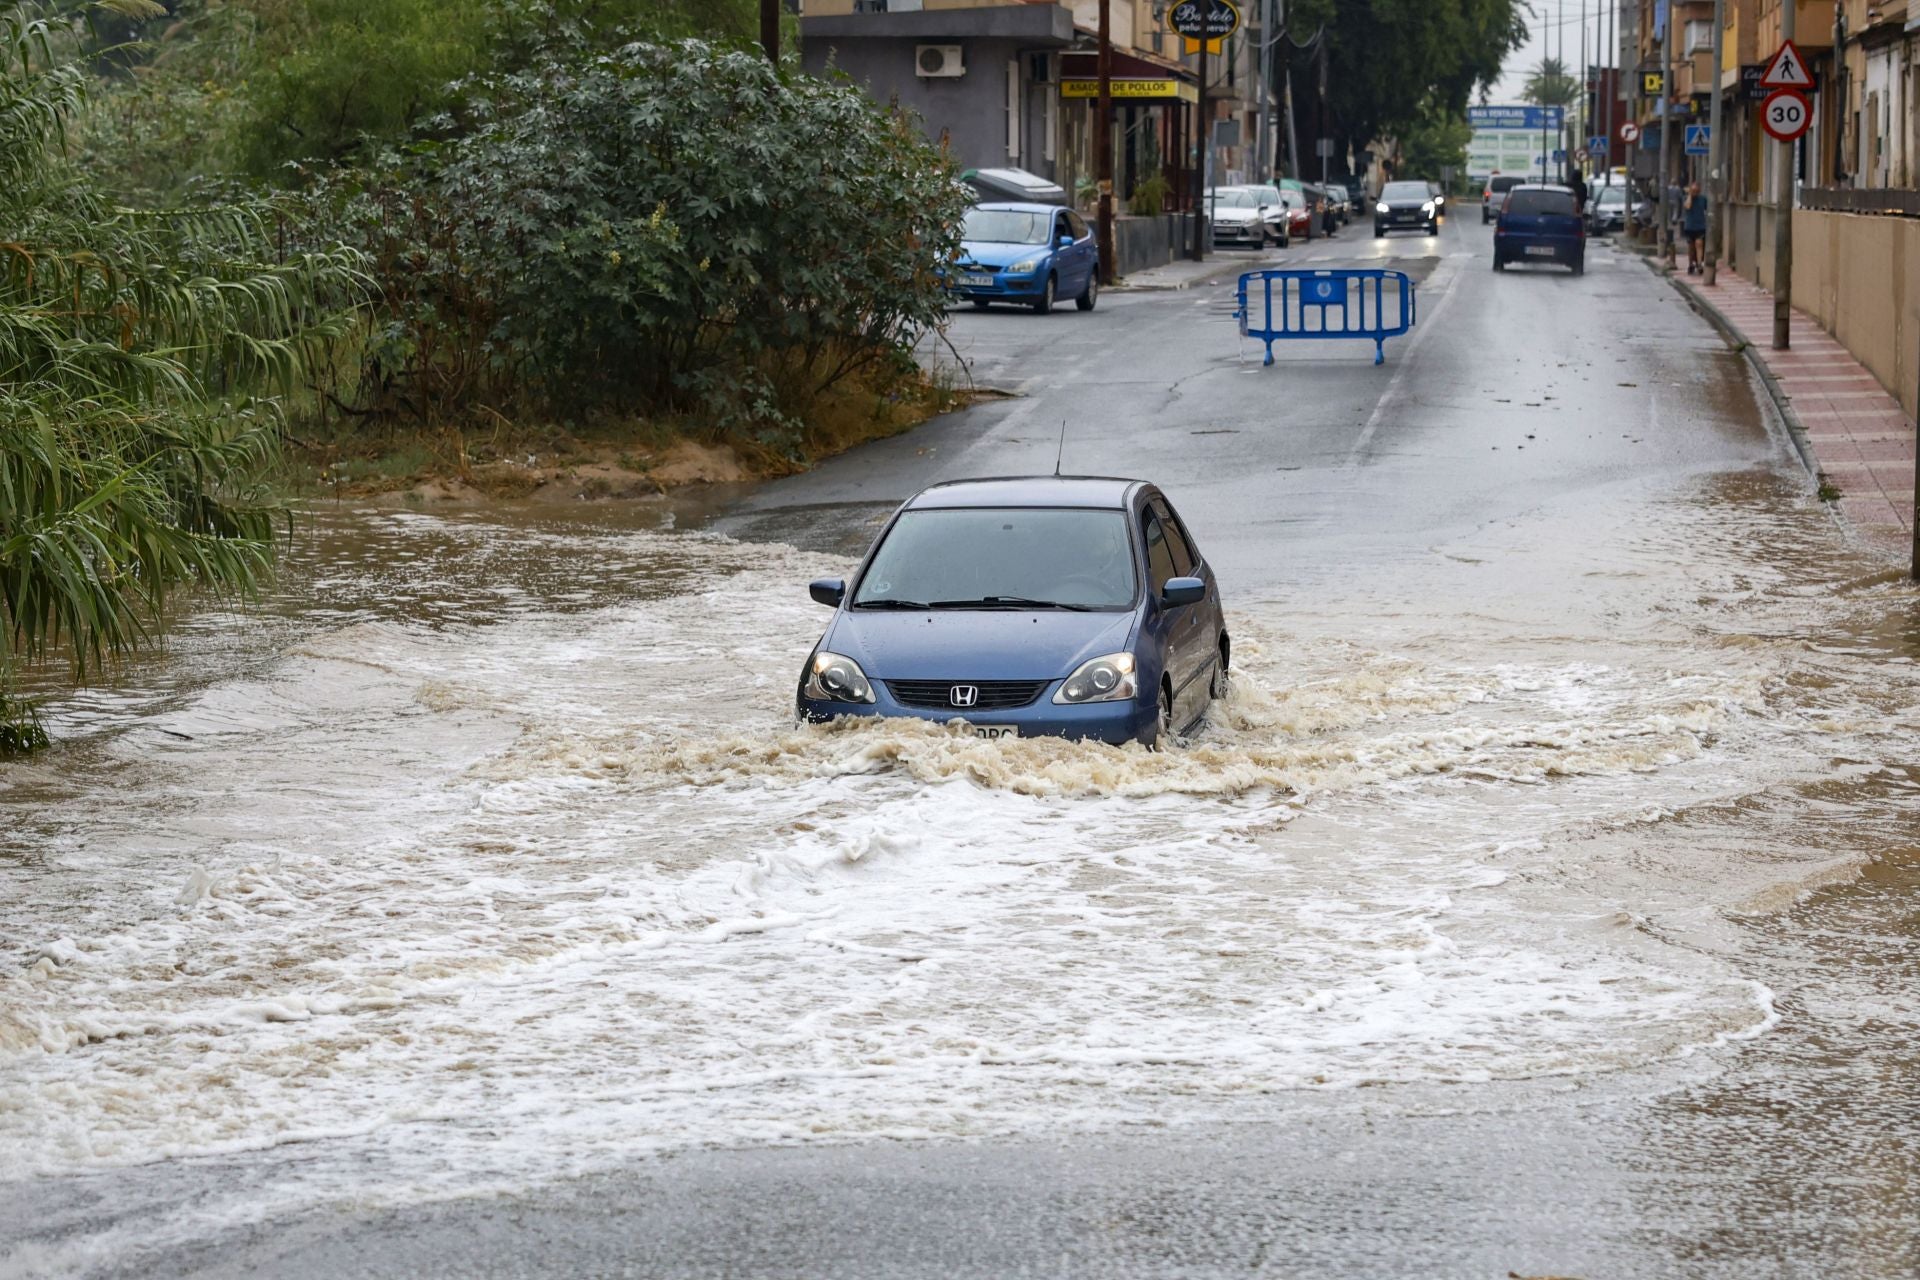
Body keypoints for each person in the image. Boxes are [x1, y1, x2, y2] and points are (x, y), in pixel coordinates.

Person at [1682, 181, 1708, 275]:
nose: (1695, 192)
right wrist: (1690, 195)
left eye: (1696, 190)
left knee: (1699, 243)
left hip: (1700, 225)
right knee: (1691, 246)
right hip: (1690, 226)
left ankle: (1699, 264)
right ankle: (1691, 264)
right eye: (1693, 190)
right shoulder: (1686, 198)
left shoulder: (1703, 199)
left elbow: (1707, 209)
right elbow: (1687, 206)